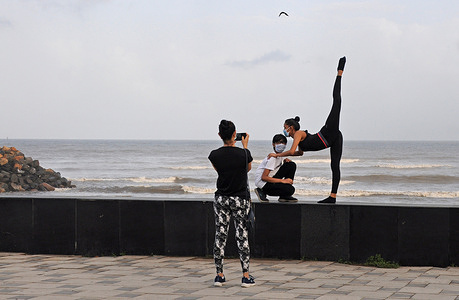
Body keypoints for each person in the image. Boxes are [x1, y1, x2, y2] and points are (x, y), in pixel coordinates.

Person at [268, 57, 346, 204]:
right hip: (332, 140)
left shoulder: (298, 133)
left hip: (328, 132)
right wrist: (288, 156)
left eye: (285, 128)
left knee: (337, 102)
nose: (284, 130)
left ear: (290, 127)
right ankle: (333, 197)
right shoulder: (298, 139)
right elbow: (299, 153)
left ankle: (339, 72)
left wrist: (276, 154)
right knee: (334, 166)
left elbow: (291, 151)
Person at [208, 120, 255, 288]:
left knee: (220, 236)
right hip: (240, 199)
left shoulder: (214, 155)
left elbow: (220, 170)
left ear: (220, 135)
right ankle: (246, 275)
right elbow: (247, 169)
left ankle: (219, 275)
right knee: (242, 236)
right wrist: (245, 146)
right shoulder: (244, 154)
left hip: (221, 198)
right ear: (235, 134)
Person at [254, 134, 297, 203]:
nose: (281, 145)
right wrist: (283, 181)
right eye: (279, 142)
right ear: (273, 144)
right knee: (290, 189)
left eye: (283, 143)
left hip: (270, 179)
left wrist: (286, 161)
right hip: (264, 183)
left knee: (291, 165)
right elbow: (264, 177)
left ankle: (284, 196)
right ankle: (262, 191)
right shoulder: (272, 158)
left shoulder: (280, 156)